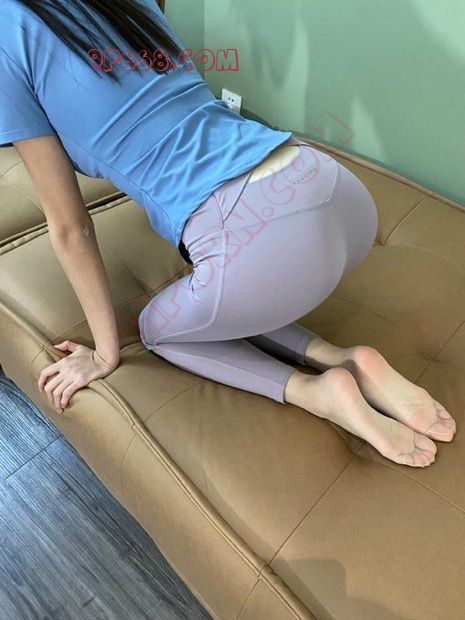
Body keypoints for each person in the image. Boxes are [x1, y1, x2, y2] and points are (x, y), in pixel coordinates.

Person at [0, 0, 455, 468]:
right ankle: (344, 359)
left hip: (264, 235)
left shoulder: (7, 30)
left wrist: (104, 356)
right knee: (229, 288)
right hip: (332, 188)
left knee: (159, 329)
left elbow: (71, 227)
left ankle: (316, 390)